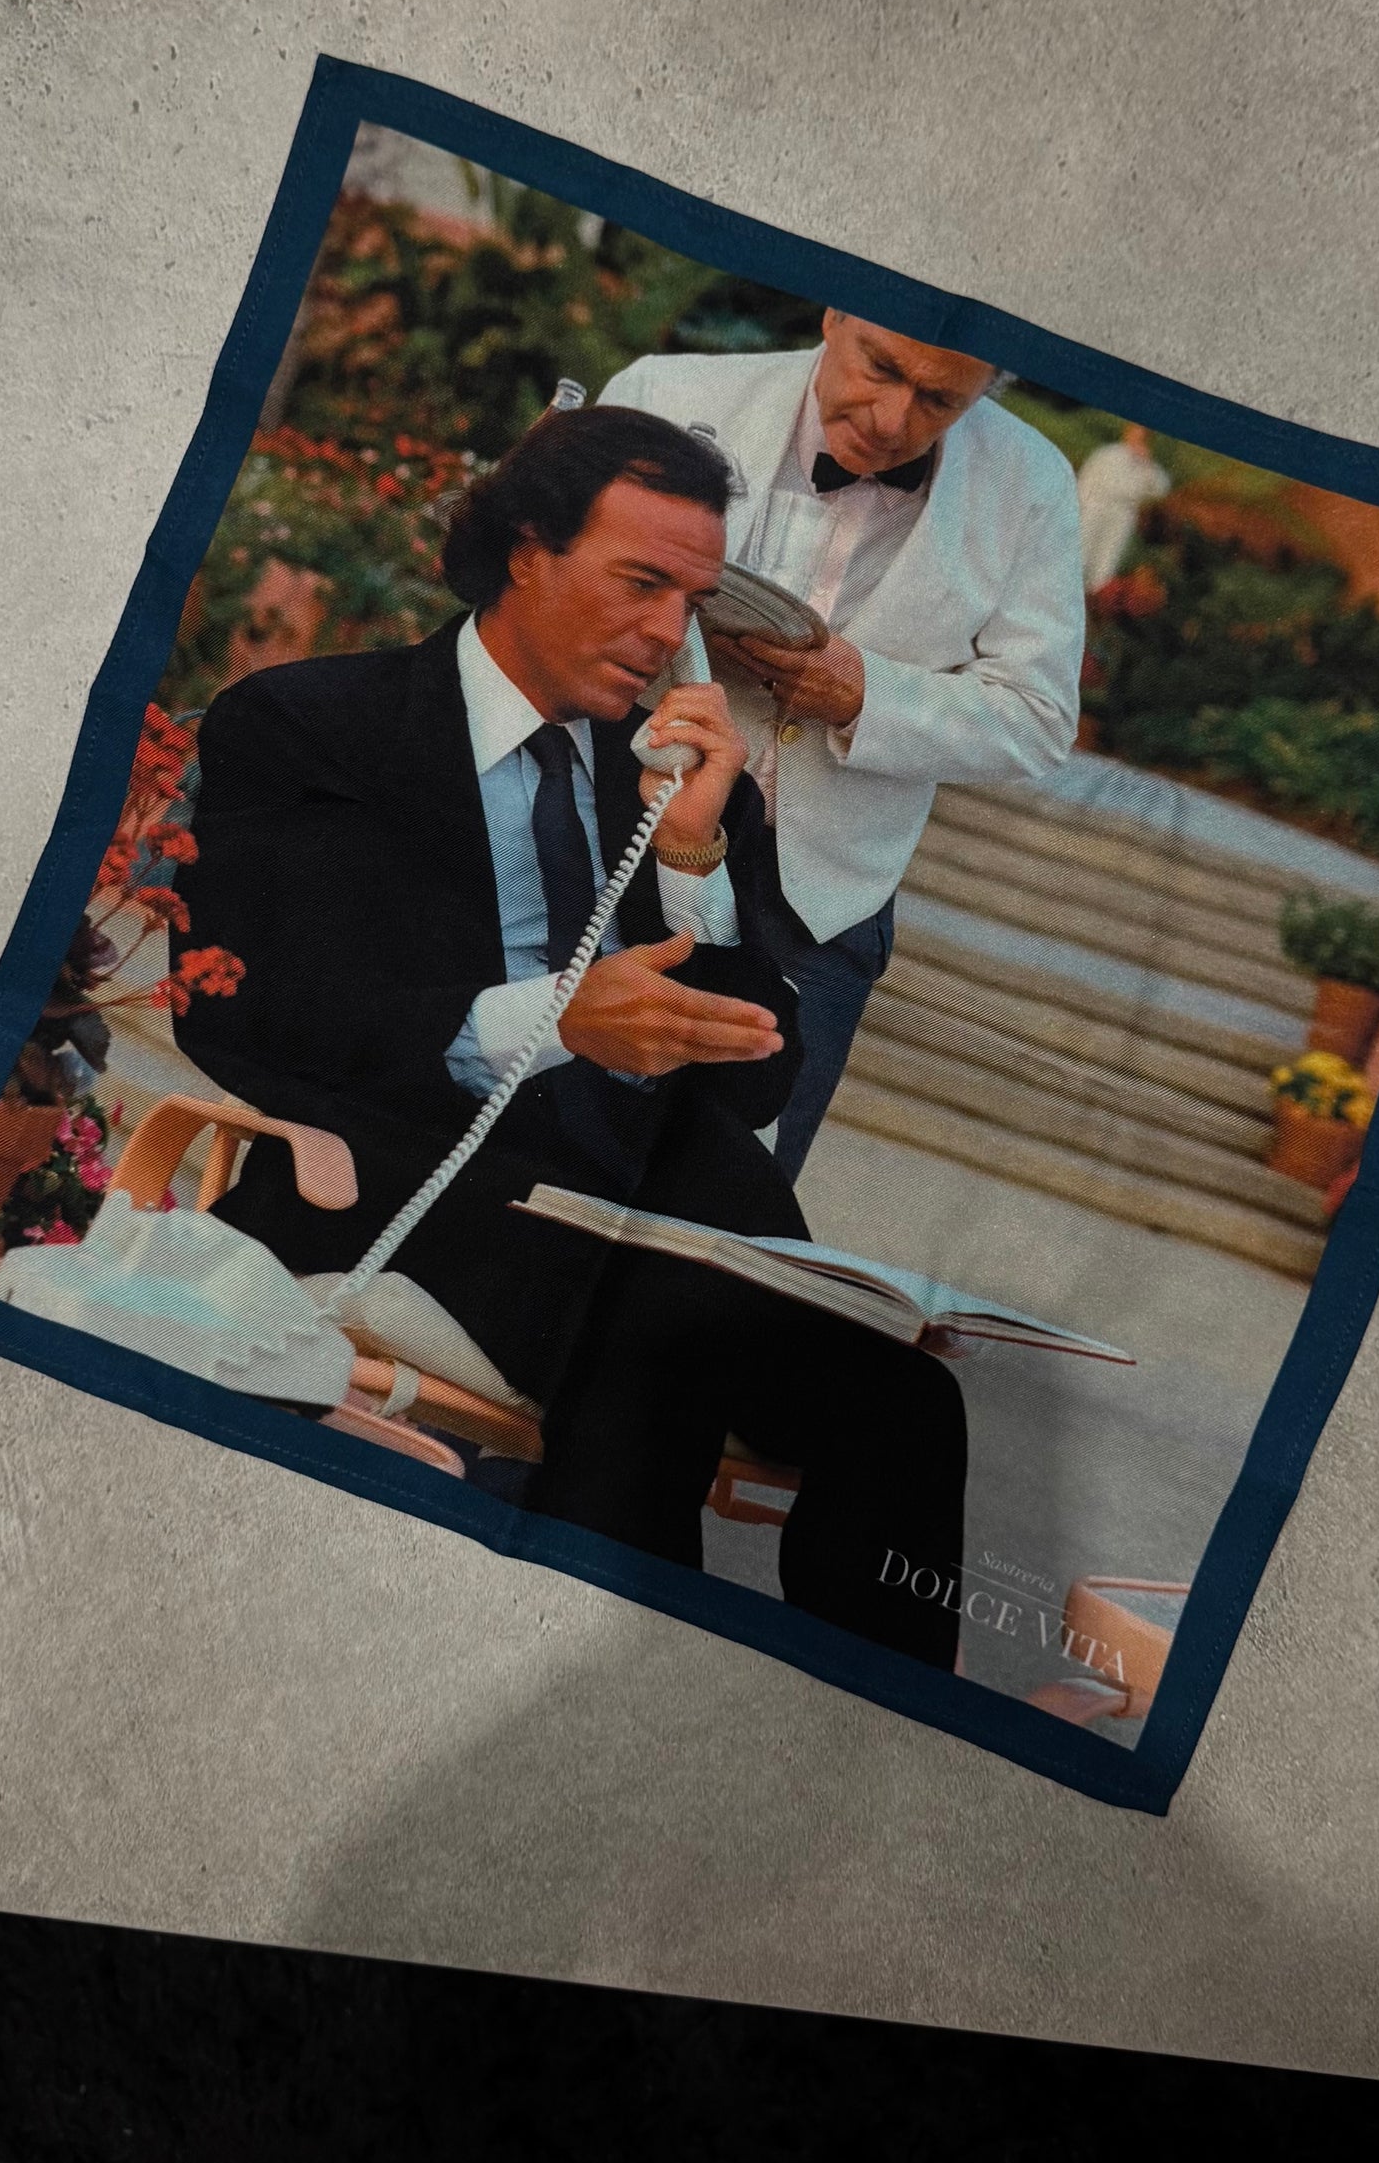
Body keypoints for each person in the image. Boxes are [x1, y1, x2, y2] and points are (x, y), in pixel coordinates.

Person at [172, 400, 965, 1668]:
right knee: (657, 1324)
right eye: (639, 583)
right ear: (525, 552)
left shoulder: (665, 780)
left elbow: (757, 1079)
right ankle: (617, 1701)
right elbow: (251, 1009)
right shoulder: (314, 726)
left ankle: (887, 1734)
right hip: (422, 1192)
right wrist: (554, 1021)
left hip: (658, 1215)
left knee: (908, 1402)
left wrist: (695, 858)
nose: (665, 633)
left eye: (689, 602)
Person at [598, 311, 1086, 1174]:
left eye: (939, 400)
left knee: (733, 1196)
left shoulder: (1032, 483)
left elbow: (1041, 718)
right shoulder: (665, 394)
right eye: (880, 368)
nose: (894, 420)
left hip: (819, 905)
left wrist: (867, 695)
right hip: (609, 826)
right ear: (835, 317)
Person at [1075, 423, 1170, 591]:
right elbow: (1086, 478)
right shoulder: (1107, 454)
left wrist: (1146, 464)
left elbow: (1160, 490)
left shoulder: (1146, 464)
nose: (1138, 438)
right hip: (1097, 506)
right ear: (1128, 432)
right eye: (1136, 433)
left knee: (1108, 557)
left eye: (1143, 436)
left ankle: (1095, 594)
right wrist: (1082, 505)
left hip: (1123, 512)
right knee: (1083, 549)